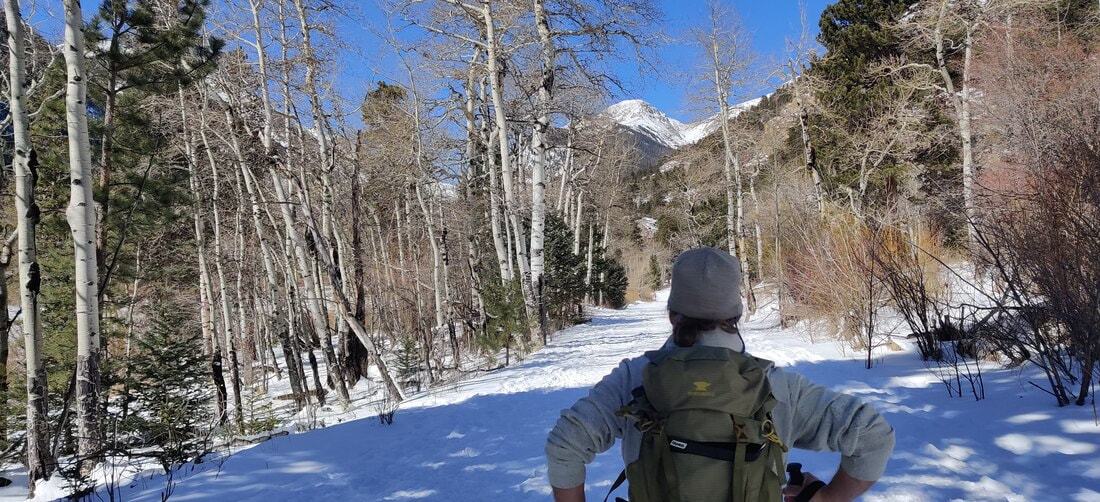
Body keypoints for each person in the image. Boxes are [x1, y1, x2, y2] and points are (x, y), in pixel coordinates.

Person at [545, 247, 895, 502]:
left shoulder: (635, 379)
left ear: (672, 313)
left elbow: (564, 446)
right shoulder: (775, 385)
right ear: (736, 314)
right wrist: (828, 498)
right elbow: (873, 436)